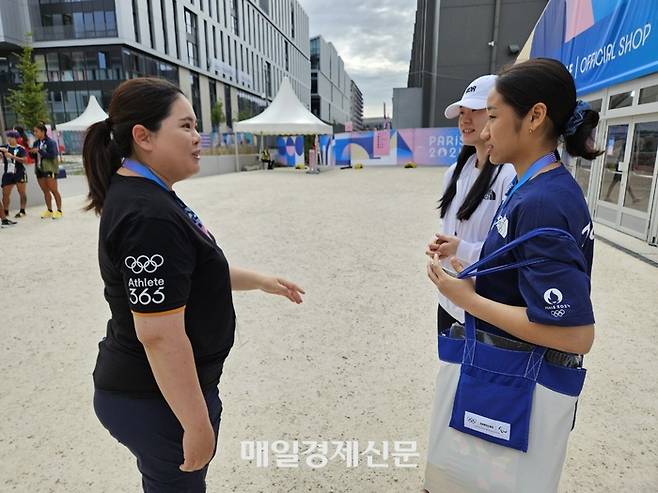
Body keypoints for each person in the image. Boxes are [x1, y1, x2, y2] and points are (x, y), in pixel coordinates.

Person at [83, 77, 305, 492]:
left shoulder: (151, 193)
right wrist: (196, 423)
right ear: (143, 137)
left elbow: (188, 276)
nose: (198, 137)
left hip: (157, 393)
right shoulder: (146, 215)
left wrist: (259, 280)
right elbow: (159, 336)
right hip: (153, 398)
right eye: (185, 126)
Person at [426, 58, 600, 491]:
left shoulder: (543, 201)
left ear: (535, 117)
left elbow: (575, 335)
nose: (484, 131)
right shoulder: (533, 186)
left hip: (516, 388)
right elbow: (525, 277)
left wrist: (468, 300)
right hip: (506, 381)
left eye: (494, 116)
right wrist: (474, 266)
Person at [426, 75, 516, 333]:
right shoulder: (456, 171)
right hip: (449, 296)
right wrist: (441, 249)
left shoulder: (509, 175)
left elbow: (510, 253)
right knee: (448, 371)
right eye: (461, 112)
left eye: (476, 111)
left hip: (483, 304)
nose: (465, 119)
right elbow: (450, 227)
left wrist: (461, 248)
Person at [29, 122, 62, 219]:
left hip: (49, 168)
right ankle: (49, 210)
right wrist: (32, 152)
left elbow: (52, 155)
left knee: (54, 190)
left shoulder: (51, 142)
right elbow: (33, 156)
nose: (35, 133)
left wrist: (39, 151)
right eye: (34, 131)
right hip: (39, 169)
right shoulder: (36, 143)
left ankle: (59, 210)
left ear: (43, 131)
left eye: (36, 131)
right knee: (45, 191)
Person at [1, 130, 28, 219]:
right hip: (8, 173)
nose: (9, 139)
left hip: (19, 172)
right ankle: (5, 211)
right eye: (8, 136)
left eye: (11, 137)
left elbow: (25, 160)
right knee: (5, 193)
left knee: (22, 192)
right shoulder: (4, 147)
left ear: (15, 138)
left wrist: (12, 156)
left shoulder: (21, 148)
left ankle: (22, 210)